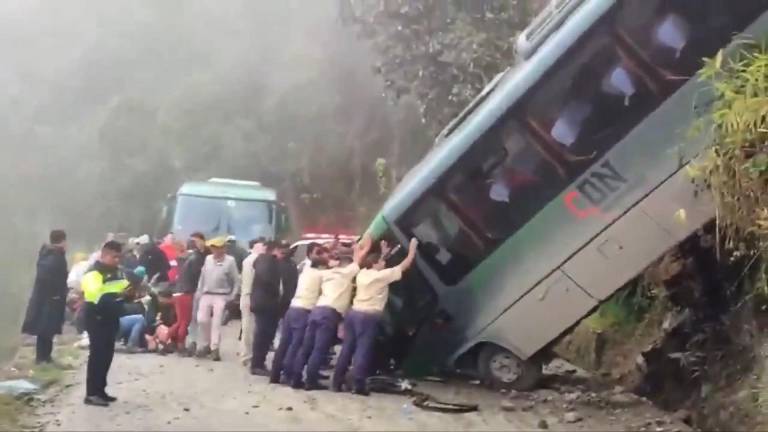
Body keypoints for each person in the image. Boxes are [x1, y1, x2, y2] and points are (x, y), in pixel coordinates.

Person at [332, 238, 418, 395]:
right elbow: (404, 266)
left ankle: (337, 382)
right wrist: (412, 250)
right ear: (375, 265)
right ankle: (358, 385)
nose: (384, 264)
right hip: (367, 317)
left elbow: (377, 264)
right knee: (363, 351)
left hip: (353, 314)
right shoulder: (380, 277)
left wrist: (383, 254)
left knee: (347, 349)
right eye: (382, 262)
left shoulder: (363, 273)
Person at [290, 234, 372, 390]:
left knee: (306, 347)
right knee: (319, 349)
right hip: (329, 314)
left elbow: (323, 259)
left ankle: (296, 377)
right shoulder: (347, 273)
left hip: (316, 311)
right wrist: (363, 245)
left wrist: (335, 248)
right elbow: (359, 258)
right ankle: (311, 381)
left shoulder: (325, 273)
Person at [81, 240, 141, 407]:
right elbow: (97, 298)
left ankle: (101, 390)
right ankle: (91, 393)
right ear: (104, 255)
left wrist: (130, 294)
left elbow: (124, 290)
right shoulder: (93, 273)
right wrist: (120, 297)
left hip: (112, 317)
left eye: (119, 257)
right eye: (114, 257)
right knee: (97, 356)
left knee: (107, 355)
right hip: (97, 318)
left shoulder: (117, 272)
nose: (117, 260)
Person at [269, 246, 329, 384]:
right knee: (296, 345)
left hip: (292, 308)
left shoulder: (305, 271)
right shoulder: (320, 275)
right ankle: (289, 375)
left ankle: (275, 374)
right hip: (304, 311)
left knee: (284, 343)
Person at [21, 230, 69, 365]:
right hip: (50, 299)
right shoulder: (54, 256)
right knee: (46, 328)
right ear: (63, 241)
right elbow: (47, 277)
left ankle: (46, 357)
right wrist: (55, 293)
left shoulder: (50, 254)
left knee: (49, 328)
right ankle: (42, 357)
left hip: (51, 297)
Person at [196, 237, 239, 361]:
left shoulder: (230, 261)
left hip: (221, 295)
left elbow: (236, 280)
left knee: (216, 322)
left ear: (224, 248)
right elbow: (202, 276)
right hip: (206, 293)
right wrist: (199, 291)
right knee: (202, 320)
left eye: (219, 247)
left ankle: (214, 348)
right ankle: (206, 344)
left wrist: (232, 295)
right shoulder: (208, 259)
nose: (216, 250)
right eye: (213, 247)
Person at [249, 242, 282, 376]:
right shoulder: (269, 262)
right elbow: (268, 281)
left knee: (262, 334)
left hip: (260, 302)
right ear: (274, 250)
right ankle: (257, 364)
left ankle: (258, 363)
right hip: (266, 303)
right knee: (263, 335)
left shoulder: (261, 260)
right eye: (280, 251)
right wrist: (277, 292)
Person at [173, 232, 207, 357]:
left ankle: (169, 340)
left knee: (181, 321)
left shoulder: (188, 257)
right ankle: (181, 345)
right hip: (188, 292)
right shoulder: (196, 258)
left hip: (180, 290)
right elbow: (196, 276)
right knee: (186, 321)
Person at [239, 238, 266, 366]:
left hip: (247, 295)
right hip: (251, 296)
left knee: (247, 327)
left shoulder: (248, 260)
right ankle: (247, 356)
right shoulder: (254, 260)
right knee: (249, 328)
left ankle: (246, 355)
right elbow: (250, 282)